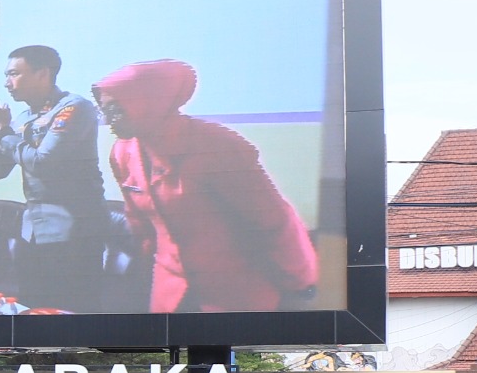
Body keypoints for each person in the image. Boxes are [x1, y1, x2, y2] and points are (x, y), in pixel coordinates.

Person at [92, 59, 319, 313]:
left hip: (235, 291)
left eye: (116, 110)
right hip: (169, 292)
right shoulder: (123, 153)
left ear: (147, 103)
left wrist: (300, 281)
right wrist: (143, 276)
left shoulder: (217, 145)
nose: (107, 120)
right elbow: (140, 224)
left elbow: (272, 219)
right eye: (104, 111)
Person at [0, 42, 109, 311]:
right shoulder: (24, 117)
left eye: (14, 74)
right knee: (34, 308)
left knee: (72, 312)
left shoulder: (74, 108)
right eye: (6, 75)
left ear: (42, 73)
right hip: (35, 230)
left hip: (75, 232)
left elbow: (43, 163)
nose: (7, 83)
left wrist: (4, 130)